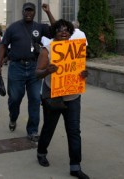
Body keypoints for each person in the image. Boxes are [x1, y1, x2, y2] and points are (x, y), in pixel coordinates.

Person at [36, 19, 90, 179]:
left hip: (72, 96)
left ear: (71, 32)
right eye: (59, 30)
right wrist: (47, 71)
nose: (63, 32)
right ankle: (41, 152)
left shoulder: (76, 48)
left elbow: (79, 69)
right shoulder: (47, 49)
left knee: (74, 131)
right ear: (54, 32)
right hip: (53, 95)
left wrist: (83, 74)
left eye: (66, 30)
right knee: (49, 127)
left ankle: (75, 166)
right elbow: (37, 72)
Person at [0, 2, 55, 141]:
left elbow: (55, 29)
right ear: (22, 12)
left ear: (34, 13)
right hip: (17, 67)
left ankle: (32, 131)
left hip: (35, 68)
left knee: (35, 99)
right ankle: (13, 117)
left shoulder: (40, 27)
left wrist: (48, 12)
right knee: (15, 98)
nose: (28, 13)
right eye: (26, 11)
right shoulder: (13, 28)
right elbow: (3, 46)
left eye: (31, 11)